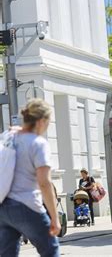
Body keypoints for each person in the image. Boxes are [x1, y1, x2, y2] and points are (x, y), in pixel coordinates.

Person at [0, 99, 60, 257]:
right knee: (50, 249)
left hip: (3, 207)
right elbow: (44, 183)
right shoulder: (38, 144)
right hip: (26, 205)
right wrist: (54, 218)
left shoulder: (8, 137)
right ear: (41, 121)